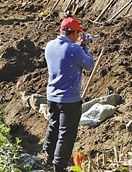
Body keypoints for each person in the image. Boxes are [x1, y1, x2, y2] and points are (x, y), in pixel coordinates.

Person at [42, 17, 94, 172]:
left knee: (54, 125)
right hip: (69, 100)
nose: (79, 36)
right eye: (79, 33)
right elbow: (89, 65)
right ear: (74, 33)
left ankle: (48, 155)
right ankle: (59, 165)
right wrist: (84, 47)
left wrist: (77, 46)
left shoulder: (50, 45)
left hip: (52, 96)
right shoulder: (75, 49)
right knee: (67, 133)